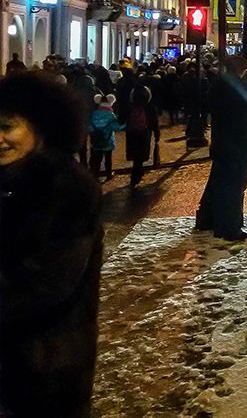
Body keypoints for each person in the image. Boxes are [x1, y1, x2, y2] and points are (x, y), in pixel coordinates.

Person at [0, 72, 102, 417]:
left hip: (45, 364)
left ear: (41, 127)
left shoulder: (67, 189)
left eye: (8, 127)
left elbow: (49, 282)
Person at [195, 57, 247, 241]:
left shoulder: (219, 84)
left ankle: (210, 220)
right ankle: (229, 227)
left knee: (220, 183)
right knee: (233, 187)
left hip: (222, 143)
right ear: (242, 69)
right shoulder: (237, 87)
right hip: (237, 144)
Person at [123, 84, 159, 189]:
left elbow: (124, 118)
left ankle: (137, 173)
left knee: (136, 155)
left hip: (132, 132)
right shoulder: (149, 107)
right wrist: (157, 134)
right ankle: (136, 175)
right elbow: (154, 122)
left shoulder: (130, 106)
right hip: (144, 132)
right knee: (140, 156)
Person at [89, 94, 124, 181]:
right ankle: (109, 175)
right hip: (108, 141)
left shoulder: (93, 114)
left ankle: (95, 176)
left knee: (97, 160)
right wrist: (125, 125)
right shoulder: (110, 115)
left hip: (96, 141)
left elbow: (89, 127)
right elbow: (117, 128)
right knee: (108, 159)